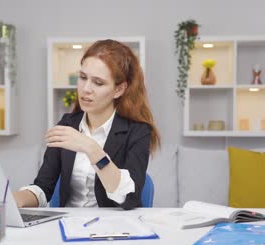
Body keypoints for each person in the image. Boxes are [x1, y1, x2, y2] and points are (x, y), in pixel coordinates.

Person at [13, 39, 160, 210]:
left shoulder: (138, 131)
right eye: (82, 78)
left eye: (98, 82)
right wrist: (15, 199)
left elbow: (130, 199)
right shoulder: (67, 124)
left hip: (114, 229)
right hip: (68, 226)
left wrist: (92, 149)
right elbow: (44, 188)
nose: (86, 89)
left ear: (119, 89)